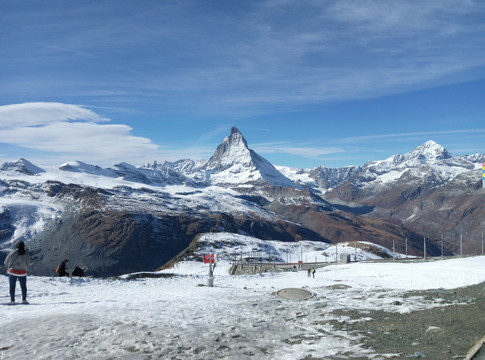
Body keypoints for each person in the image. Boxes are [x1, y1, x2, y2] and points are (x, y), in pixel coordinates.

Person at [4, 241, 34, 305]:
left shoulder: (11, 252)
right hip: (22, 272)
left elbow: (5, 262)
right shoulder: (25, 253)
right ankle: (24, 300)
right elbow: (29, 262)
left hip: (12, 272)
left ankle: (12, 301)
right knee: (23, 287)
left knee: (12, 287)